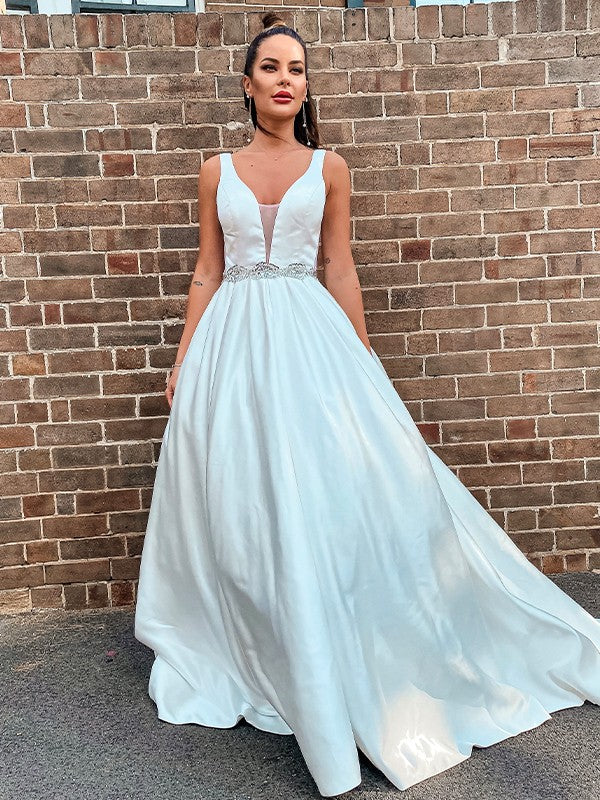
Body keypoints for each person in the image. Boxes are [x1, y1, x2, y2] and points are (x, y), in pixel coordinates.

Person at [134, 11, 600, 798]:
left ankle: (341, 633)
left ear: (305, 86)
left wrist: (363, 356)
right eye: (272, 68)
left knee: (330, 488)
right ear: (247, 84)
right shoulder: (215, 171)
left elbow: (339, 265)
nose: (286, 80)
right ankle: (266, 643)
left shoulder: (331, 168)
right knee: (244, 499)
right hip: (232, 347)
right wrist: (183, 359)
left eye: (297, 69)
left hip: (312, 339)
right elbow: (207, 271)